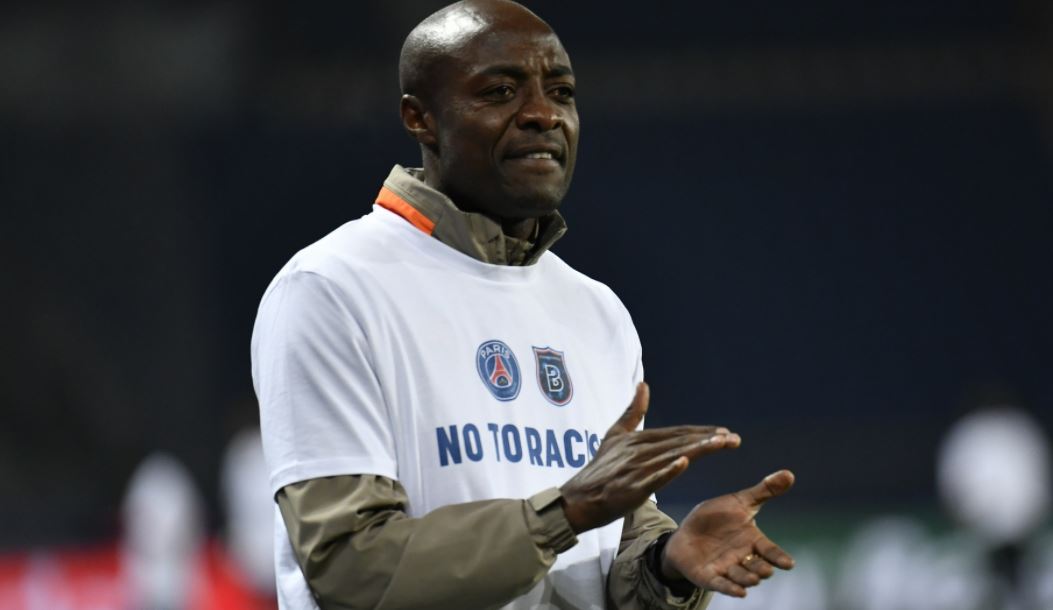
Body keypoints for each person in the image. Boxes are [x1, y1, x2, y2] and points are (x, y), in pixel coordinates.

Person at [251, 1, 796, 608]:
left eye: (561, 92)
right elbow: (351, 568)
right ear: (420, 118)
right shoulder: (333, 288)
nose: (543, 114)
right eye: (500, 91)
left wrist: (666, 566)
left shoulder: (597, 312)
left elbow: (612, 552)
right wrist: (565, 513)